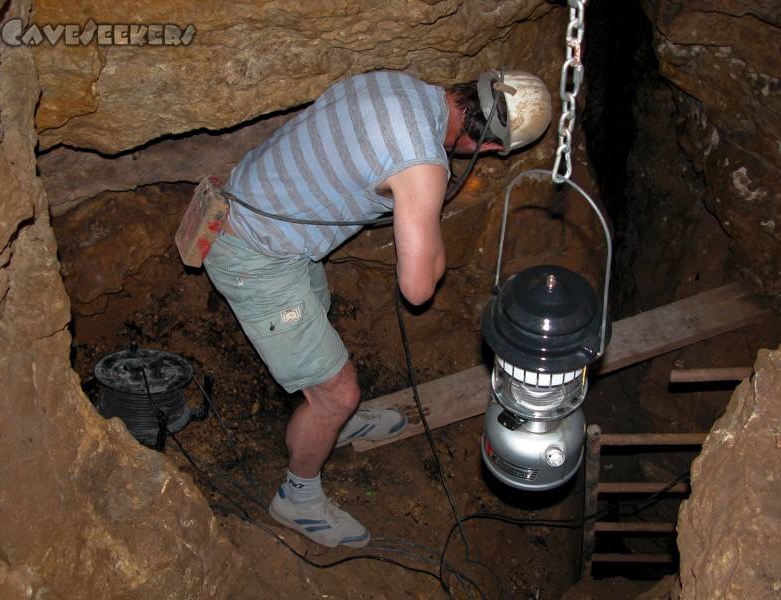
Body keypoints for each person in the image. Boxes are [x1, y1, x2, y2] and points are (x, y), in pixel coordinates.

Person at [203, 69, 550, 548]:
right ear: (489, 148)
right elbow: (417, 288)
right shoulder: (424, 167)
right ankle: (297, 496)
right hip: (254, 252)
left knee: (317, 314)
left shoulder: (399, 83)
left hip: (261, 208)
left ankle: (333, 422)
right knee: (336, 394)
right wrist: (432, 228)